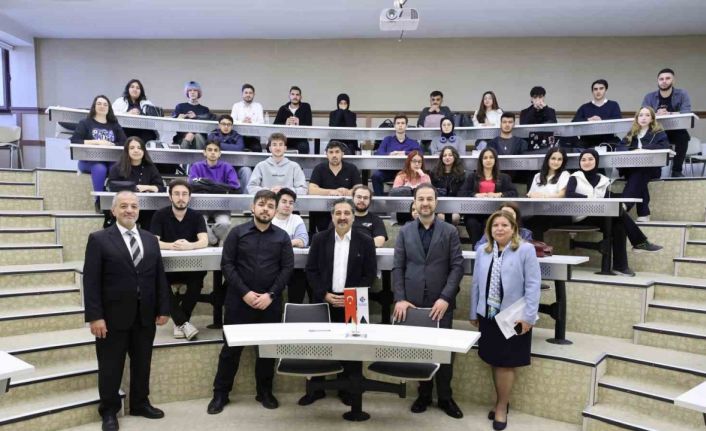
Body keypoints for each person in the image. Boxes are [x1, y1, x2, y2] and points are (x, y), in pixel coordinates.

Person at [83, 191, 170, 431]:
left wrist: (163, 307)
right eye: (123, 206)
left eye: (133, 206)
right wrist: (95, 317)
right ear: (113, 210)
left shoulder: (150, 239)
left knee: (142, 363)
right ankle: (109, 411)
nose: (129, 210)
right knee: (111, 367)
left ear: (139, 210)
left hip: (145, 316)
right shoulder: (99, 239)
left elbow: (159, 277)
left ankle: (140, 403)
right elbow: (91, 281)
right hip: (112, 318)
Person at [207, 190, 294, 414]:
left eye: (270, 206)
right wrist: (245, 293)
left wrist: (270, 295)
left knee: (266, 351)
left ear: (275, 211)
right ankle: (220, 394)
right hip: (238, 302)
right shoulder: (237, 233)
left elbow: (287, 269)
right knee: (230, 351)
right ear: (253, 207)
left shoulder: (282, 237)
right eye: (262, 204)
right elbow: (227, 265)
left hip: (269, 303)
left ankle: (264, 392)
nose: (266, 209)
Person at [392, 184, 465, 419]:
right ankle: (423, 395)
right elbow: (398, 267)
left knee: (443, 351)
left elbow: (457, 267)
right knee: (420, 350)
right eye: (421, 199)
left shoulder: (449, 231)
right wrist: (400, 298)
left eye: (429, 199)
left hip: (440, 302)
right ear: (414, 203)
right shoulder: (405, 231)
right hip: (412, 302)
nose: (425, 203)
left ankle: (445, 397)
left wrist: (445, 298)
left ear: (436, 202)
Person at [469, 210, 541, 431]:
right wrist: (474, 312)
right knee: (494, 359)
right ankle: (502, 400)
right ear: (489, 230)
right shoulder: (482, 250)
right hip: (489, 315)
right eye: (495, 225)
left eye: (504, 225)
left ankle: (501, 406)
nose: (499, 229)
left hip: (514, 317)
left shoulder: (525, 250)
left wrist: (529, 316)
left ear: (513, 228)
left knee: (506, 363)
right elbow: (476, 283)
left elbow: (533, 285)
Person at [302, 198, 377, 406]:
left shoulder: (365, 240)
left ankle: (348, 389)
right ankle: (316, 389)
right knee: (319, 346)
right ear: (332, 216)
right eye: (338, 213)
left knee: (351, 348)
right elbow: (311, 270)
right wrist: (324, 294)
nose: (342, 217)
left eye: (346, 213)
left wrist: (351, 297)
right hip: (324, 298)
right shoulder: (319, 239)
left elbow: (369, 274)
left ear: (353, 216)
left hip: (354, 301)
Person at [566, 149, 662, 276]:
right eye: (583, 160)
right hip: (579, 217)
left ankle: (620, 267)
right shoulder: (575, 177)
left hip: (598, 215)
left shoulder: (603, 180)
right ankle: (639, 242)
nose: (587, 162)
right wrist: (590, 198)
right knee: (618, 214)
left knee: (619, 224)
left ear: (596, 161)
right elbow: (569, 195)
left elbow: (607, 198)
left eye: (590, 159)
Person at [150, 179, 208, 341]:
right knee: (160, 280)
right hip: (167, 267)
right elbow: (153, 241)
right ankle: (183, 322)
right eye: (176, 194)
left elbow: (204, 240)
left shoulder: (196, 216)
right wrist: (173, 246)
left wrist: (190, 246)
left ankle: (180, 322)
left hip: (190, 266)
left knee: (198, 278)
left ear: (189, 197)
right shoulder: (160, 215)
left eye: (184, 194)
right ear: (170, 197)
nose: (180, 198)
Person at [71, 95, 128, 210]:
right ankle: (99, 201)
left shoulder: (114, 125)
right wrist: (96, 142)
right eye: (99, 103)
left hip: (110, 160)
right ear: (94, 106)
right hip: (88, 161)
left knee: (116, 167)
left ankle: (116, 200)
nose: (102, 106)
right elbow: (74, 140)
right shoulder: (85, 123)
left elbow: (125, 142)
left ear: (109, 108)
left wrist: (111, 144)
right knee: (100, 168)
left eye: (105, 104)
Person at [619, 107, 670, 221]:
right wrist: (633, 151)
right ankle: (644, 213)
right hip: (632, 169)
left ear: (652, 119)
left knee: (640, 172)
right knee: (639, 175)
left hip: (652, 169)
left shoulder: (658, 133)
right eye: (641, 115)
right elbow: (620, 147)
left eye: (647, 115)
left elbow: (664, 146)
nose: (643, 118)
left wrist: (643, 149)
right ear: (637, 118)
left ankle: (625, 204)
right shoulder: (631, 133)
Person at [459, 148, 518, 246]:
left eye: (491, 157)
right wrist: (475, 195)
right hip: (474, 213)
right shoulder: (472, 177)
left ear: (495, 160)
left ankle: (488, 248)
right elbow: (461, 193)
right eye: (485, 158)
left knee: (489, 222)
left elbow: (514, 193)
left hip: (495, 213)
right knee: (472, 223)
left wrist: (499, 194)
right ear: (481, 161)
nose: (488, 160)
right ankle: (476, 249)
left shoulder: (504, 177)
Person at [641, 68, 692, 177]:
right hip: (656, 130)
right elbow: (642, 114)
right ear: (658, 81)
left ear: (673, 80)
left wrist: (669, 113)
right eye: (661, 79)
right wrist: (656, 114)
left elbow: (686, 112)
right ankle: (652, 172)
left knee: (683, 136)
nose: (664, 81)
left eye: (668, 78)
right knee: (646, 138)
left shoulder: (682, 94)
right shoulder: (649, 97)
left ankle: (676, 171)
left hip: (676, 129)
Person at [188, 141, 239, 245]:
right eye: (210, 150)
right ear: (204, 152)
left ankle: (212, 240)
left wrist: (207, 183)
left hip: (222, 205)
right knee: (199, 223)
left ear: (219, 154)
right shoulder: (196, 166)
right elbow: (192, 185)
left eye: (216, 150)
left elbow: (234, 187)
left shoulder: (227, 167)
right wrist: (219, 187)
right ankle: (214, 241)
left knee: (224, 223)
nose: (212, 152)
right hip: (201, 205)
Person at [107, 136, 165, 228]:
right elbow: (111, 185)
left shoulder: (150, 167)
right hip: (124, 207)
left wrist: (146, 187)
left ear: (143, 151)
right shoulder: (118, 167)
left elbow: (161, 187)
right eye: (132, 148)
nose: (136, 150)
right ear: (127, 151)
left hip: (146, 208)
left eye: (139, 148)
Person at [308, 140, 362, 234]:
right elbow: (311, 190)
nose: (334, 155)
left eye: (337, 152)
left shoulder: (352, 168)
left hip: (346, 210)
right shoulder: (319, 168)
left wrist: (347, 192)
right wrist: (331, 192)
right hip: (324, 210)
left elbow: (360, 190)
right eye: (331, 152)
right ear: (326, 154)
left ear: (342, 154)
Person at [271, 188, 311, 304]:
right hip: (271, 264)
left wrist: (280, 243)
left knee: (300, 276)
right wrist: (292, 242)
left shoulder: (296, 219)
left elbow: (303, 241)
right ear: (276, 203)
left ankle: (295, 309)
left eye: (291, 203)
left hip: (292, 264)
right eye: (284, 201)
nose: (287, 205)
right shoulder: (269, 218)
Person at [524, 147, 571, 240]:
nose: (556, 162)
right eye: (553, 158)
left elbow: (561, 194)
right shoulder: (537, 176)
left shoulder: (565, 174)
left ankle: (538, 248)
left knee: (536, 223)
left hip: (558, 212)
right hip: (539, 211)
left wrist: (543, 196)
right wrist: (532, 195)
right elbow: (530, 194)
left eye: (559, 159)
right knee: (523, 220)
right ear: (548, 159)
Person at [372, 114, 421, 195]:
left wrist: (404, 153)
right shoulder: (387, 140)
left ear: (406, 126)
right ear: (394, 126)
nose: (400, 125)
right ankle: (380, 200)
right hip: (388, 170)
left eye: (402, 123)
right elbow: (379, 152)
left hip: (406, 171)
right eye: (398, 123)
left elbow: (419, 152)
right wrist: (390, 154)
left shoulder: (413, 142)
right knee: (376, 176)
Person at [573, 79, 622, 148]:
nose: (598, 91)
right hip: (587, 141)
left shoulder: (613, 105)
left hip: (608, 139)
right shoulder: (584, 107)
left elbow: (618, 120)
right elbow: (574, 122)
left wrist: (601, 120)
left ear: (606, 90)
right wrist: (588, 120)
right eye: (595, 89)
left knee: (619, 144)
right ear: (592, 92)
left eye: (601, 88)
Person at [207, 114, 253, 187]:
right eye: (223, 124)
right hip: (217, 166)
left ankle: (245, 194)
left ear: (232, 126)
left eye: (229, 124)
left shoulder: (237, 136)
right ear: (219, 125)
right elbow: (211, 147)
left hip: (235, 166)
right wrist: (230, 146)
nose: (226, 127)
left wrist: (219, 144)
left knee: (246, 170)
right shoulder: (212, 135)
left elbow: (239, 149)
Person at [111, 78, 159, 143]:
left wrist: (141, 114)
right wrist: (127, 113)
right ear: (128, 89)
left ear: (141, 91)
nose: (135, 89)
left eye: (138, 88)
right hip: (125, 132)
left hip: (143, 133)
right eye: (132, 87)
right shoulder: (120, 101)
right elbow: (112, 114)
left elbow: (154, 118)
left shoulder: (147, 102)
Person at [172, 81, 214, 149]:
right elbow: (172, 124)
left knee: (195, 136)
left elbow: (207, 126)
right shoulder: (180, 107)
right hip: (182, 137)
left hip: (200, 137)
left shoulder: (204, 109)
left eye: (195, 90)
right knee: (190, 135)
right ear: (187, 93)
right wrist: (177, 119)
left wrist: (195, 117)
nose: (192, 92)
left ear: (198, 93)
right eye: (190, 90)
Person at [431, 145, 466, 225]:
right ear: (441, 158)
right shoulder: (434, 172)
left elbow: (462, 192)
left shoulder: (461, 174)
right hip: (439, 205)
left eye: (450, 155)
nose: (447, 157)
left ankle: (452, 232)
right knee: (440, 217)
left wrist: (454, 207)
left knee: (455, 217)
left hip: (455, 205)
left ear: (455, 157)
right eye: (444, 155)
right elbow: (432, 190)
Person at [274, 86, 313, 154]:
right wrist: (285, 124)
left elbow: (309, 125)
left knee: (303, 147)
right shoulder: (283, 108)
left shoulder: (306, 107)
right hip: (285, 138)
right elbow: (275, 125)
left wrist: (299, 123)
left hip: (300, 139)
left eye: (297, 95)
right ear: (289, 96)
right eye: (293, 94)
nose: (295, 97)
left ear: (300, 97)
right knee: (272, 145)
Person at [231, 83, 265, 153]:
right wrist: (242, 122)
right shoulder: (236, 106)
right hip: (238, 137)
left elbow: (261, 122)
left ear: (254, 94)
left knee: (257, 149)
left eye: (250, 93)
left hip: (254, 136)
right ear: (242, 94)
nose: (248, 95)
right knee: (236, 149)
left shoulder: (258, 106)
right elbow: (232, 121)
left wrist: (251, 122)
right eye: (246, 93)